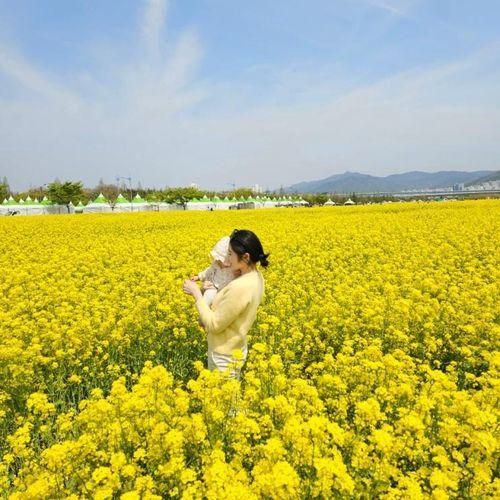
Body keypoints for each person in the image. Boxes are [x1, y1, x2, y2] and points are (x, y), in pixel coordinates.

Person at [183, 229, 269, 378]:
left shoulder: (240, 287)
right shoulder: (256, 277)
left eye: (230, 254)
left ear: (246, 257)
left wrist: (196, 294)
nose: (226, 259)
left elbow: (215, 325)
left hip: (223, 356)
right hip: (235, 348)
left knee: (223, 400)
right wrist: (205, 289)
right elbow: (225, 304)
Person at [191, 236, 235, 306]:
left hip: (226, 291)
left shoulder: (233, 268)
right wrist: (199, 277)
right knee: (208, 296)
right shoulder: (215, 264)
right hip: (213, 286)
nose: (223, 264)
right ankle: (203, 309)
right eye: (220, 261)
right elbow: (208, 271)